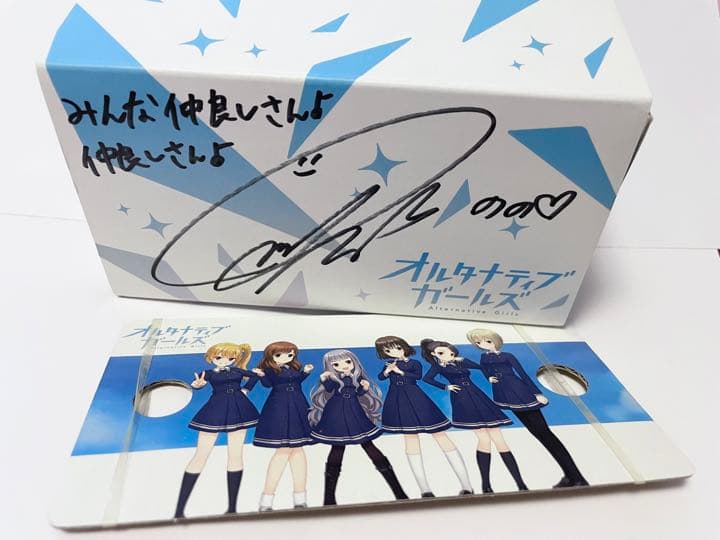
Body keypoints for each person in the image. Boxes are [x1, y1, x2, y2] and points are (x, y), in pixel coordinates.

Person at [466, 328, 588, 488]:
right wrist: (489, 377)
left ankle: (576, 476)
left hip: (520, 391)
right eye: (478, 342)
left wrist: (537, 393)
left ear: (495, 341)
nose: (483, 344)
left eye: (487, 341)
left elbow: (522, 373)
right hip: (505, 394)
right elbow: (485, 370)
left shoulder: (508, 356)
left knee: (545, 434)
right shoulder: (484, 358)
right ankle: (570, 475)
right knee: (538, 434)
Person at [421, 339, 528, 493]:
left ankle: (520, 483)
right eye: (442, 353)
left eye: (451, 353)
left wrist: (488, 376)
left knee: (499, 439)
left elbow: (481, 366)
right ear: (433, 354)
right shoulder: (437, 367)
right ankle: (486, 484)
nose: (449, 355)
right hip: (462, 398)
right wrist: (445, 386)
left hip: (477, 394)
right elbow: (427, 379)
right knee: (484, 439)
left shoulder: (461, 361)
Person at [374, 335, 473, 496]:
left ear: (404, 347)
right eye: (388, 351)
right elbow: (381, 377)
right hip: (397, 398)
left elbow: (417, 376)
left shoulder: (414, 363)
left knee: (439, 434)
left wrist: (399, 371)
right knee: (410, 439)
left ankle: (466, 485)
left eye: (398, 348)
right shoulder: (389, 364)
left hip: (415, 396)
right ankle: (425, 490)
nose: (395, 352)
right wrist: (388, 371)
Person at [309, 349, 408, 505]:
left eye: (348, 362)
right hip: (336, 411)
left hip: (354, 410)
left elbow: (359, 393)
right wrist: (324, 379)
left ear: (354, 362)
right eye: (336, 364)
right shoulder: (333, 378)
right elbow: (329, 389)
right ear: (331, 366)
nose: (344, 366)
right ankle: (329, 498)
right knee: (337, 447)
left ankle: (399, 492)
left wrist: (365, 388)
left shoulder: (356, 377)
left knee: (368, 444)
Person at [174, 342, 259, 518]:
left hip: (239, 409)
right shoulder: (209, 373)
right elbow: (199, 383)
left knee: (235, 455)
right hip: (215, 409)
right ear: (211, 357)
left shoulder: (237, 371)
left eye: (230, 358)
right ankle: (179, 510)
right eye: (219, 357)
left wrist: (245, 390)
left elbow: (254, 376)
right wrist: (197, 385)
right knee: (200, 455)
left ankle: (232, 508)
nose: (224, 361)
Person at [251, 341, 315, 511]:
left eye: (290, 354)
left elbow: (298, 380)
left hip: (298, 404)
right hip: (279, 405)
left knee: (298, 449)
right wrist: (261, 375)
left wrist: (305, 372)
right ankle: (267, 498)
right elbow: (267, 384)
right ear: (271, 356)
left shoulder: (292, 368)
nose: (285, 357)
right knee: (284, 450)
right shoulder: (270, 370)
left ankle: (300, 498)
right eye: (279, 355)